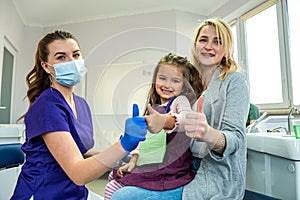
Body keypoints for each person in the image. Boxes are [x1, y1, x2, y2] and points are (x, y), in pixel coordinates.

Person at [111, 18, 250, 200]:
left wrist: (208, 134)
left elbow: (236, 139)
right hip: (182, 167)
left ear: (226, 49)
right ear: (195, 45)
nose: (209, 46)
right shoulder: (190, 84)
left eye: (217, 41)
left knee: (123, 197)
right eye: (203, 40)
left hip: (213, 174)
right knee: (116, 184)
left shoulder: (234, 81)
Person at [10, 30, 147, 200]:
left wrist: (121, 156)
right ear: (46, 66)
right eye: (61, 57)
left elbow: (83, 152)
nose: (72, 62)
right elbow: (78, 173)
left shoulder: (81, 104)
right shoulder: (47, 106)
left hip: (74, 192)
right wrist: (124, 143)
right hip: (44, 193)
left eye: (75, 55)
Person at [104, 53, 203, 199]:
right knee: (112, 182)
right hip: (151, 164)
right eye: (162, 78)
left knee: (114, 188)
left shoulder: (180, 101)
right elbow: (143, 141)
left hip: (170, 169)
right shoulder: (154, 107)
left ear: (184, 85)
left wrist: (166, 120)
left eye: (175, 81)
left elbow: (187, 118)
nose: (167, 85)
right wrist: (132, 161)